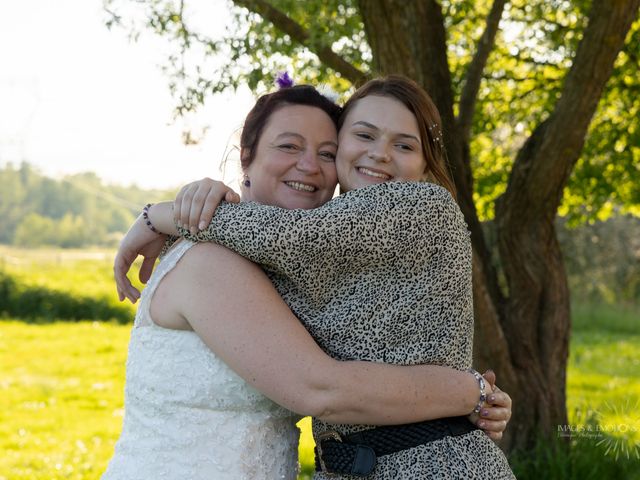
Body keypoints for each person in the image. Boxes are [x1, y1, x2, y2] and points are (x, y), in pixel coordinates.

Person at [112, 79, 514, 479]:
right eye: (288, 146)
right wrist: (469, 391)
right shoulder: (211, 262)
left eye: (325, 153)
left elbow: (296, 241)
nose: (309, 165)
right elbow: (320, 386)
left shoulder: (405, 214)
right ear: (245, 157)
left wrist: (163, 214)